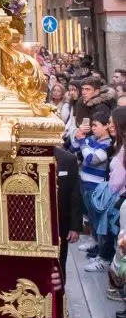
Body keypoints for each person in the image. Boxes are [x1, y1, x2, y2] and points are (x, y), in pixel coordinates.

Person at [71, 108, 113, 270]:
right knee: (90, 215)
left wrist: (83, 142)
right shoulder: (93, 140)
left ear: (106, 126)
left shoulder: (107, 144)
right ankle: (94, 242)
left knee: (97, 219)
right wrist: (79, 135)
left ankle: (102, 252)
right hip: (85, 183)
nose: (93, 128)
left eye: (96, 126)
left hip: (96, 186)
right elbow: (75, 147)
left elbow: (91, 158)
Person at [54, 145, 83, 281]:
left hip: (61, 221)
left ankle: (60, 297)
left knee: (59, 262)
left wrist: (75, 227)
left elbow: (75, 194)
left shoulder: (67, 159)